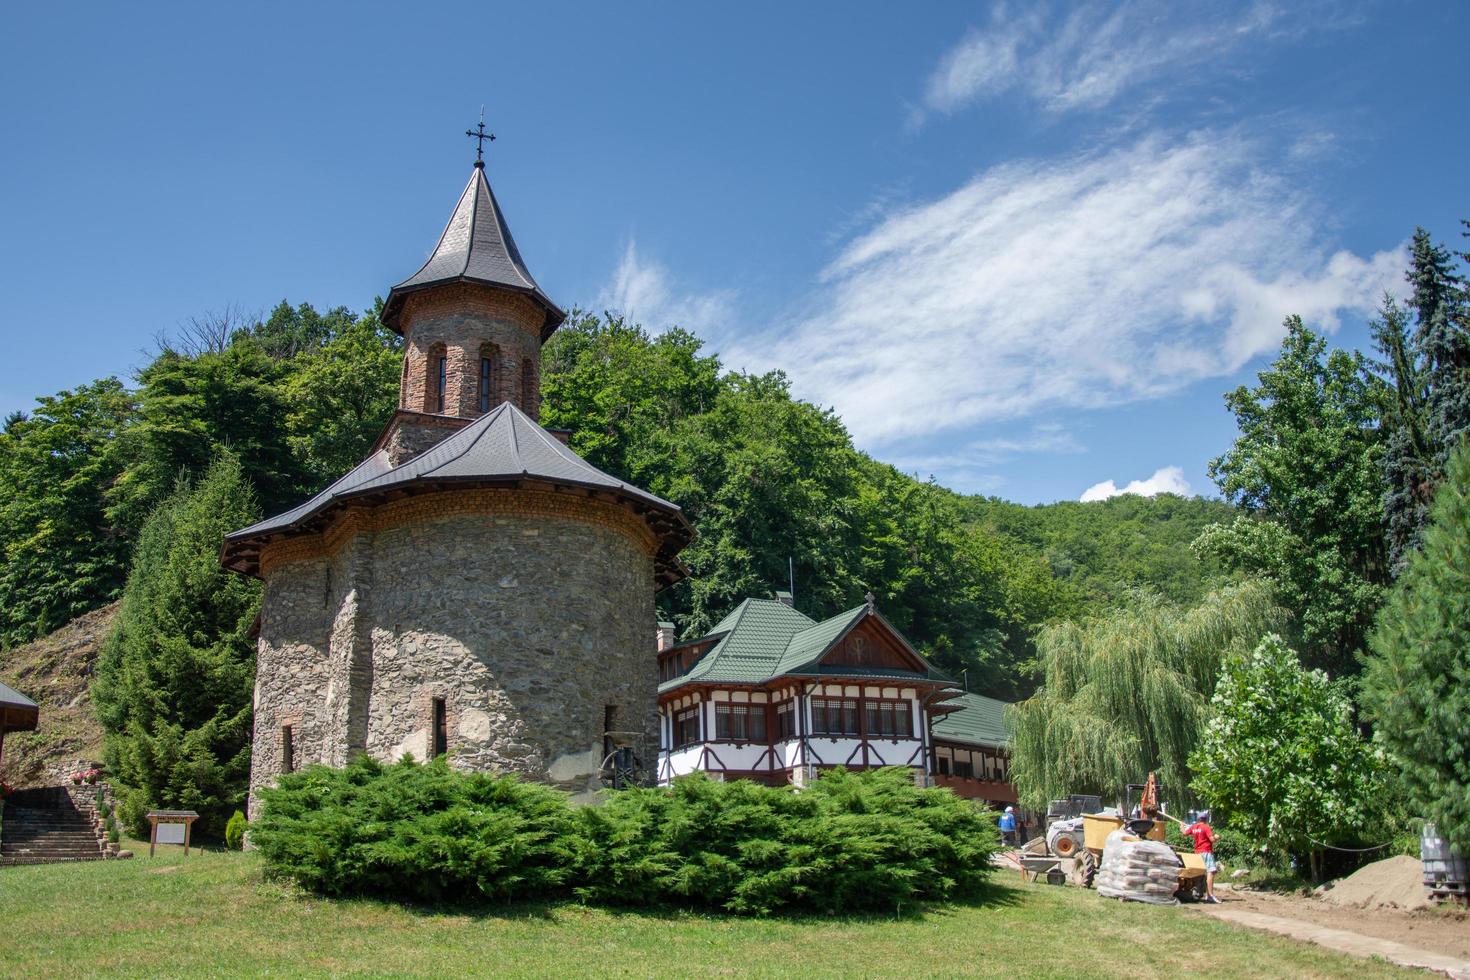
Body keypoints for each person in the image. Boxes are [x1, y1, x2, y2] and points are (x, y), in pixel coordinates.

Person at [1183, 810, 1221, 903]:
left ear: (1198, 819)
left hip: (1197, 853)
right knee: (1211, 872)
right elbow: (1212, 839)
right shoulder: (1206, 827)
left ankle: (1198, 893)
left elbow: (1184, 833)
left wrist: (1182, 826)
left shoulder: (1194, 827)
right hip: (1206, 852)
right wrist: (1217, 837)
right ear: (1206, 819)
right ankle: (1210, 895)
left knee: (1199, 874)